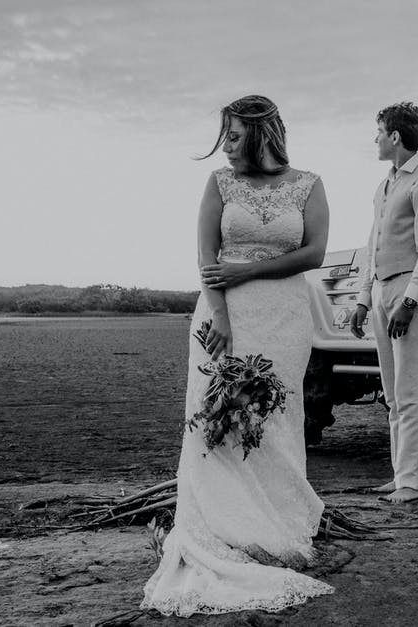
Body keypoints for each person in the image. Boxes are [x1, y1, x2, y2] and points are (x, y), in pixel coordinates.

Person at [141, 95, 334, 616]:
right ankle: (220, 527)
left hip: (285, 318)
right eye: (223, 136)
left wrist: (247, 270)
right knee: (214, 421)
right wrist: (222, 320)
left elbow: (314, 253)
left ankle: (275, 527)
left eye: (231, 136)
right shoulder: (219, 185)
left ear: (259, 134)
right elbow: (207, 258)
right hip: (223, 316)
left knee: (276, 417)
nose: (224, 146)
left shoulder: (309, 185)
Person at [350, 102, 418, 504]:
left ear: (395, 136)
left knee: (408, 390)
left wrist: (409, 301)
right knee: (391, 393)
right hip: (380, 289)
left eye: (378, 132)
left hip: (410, 289)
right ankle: (399, 476)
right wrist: (361, 298)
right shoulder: (386, 185)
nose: (374, 139)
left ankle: (411, 483)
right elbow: (372, 243)